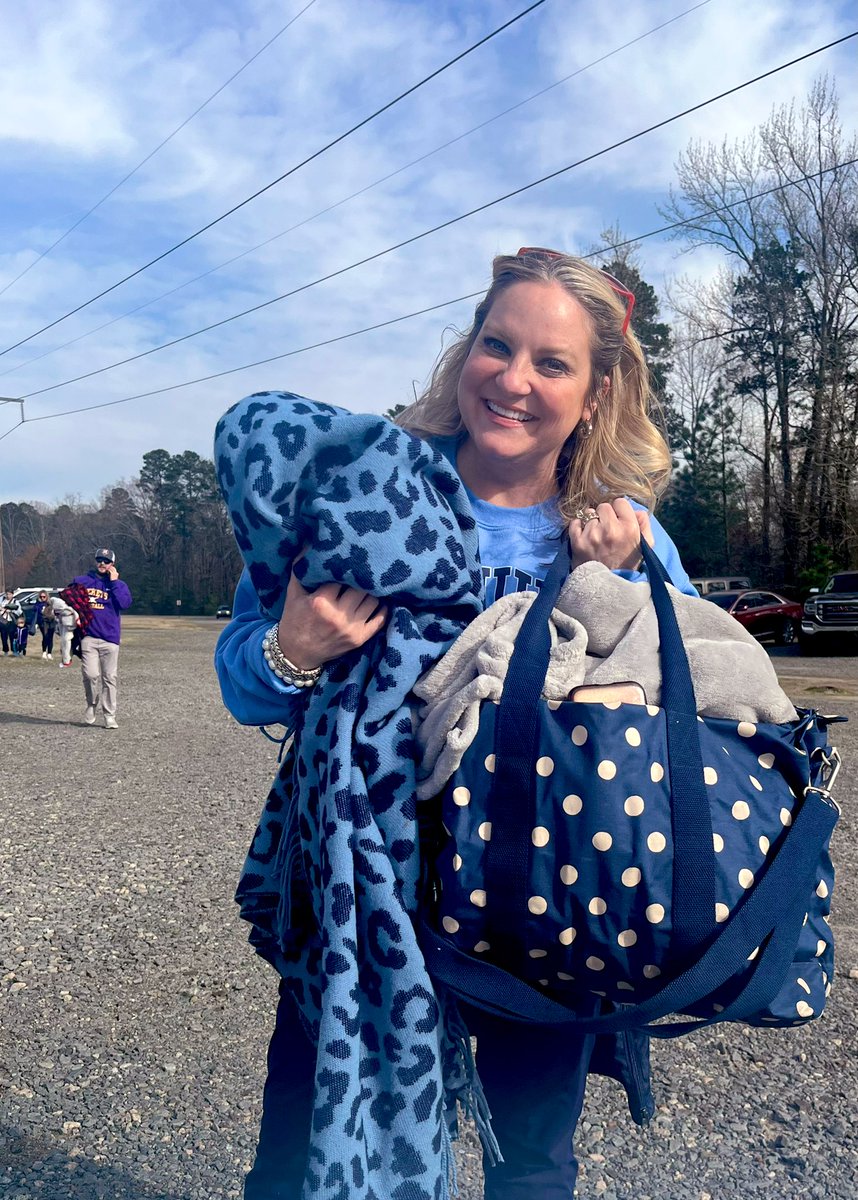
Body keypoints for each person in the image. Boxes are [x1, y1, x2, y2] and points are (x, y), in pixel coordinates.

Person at [215, 249, 696, 1200]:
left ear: (595, 392)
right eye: (497, 345)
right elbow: (243, 685)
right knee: (300, 1146)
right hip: (359, 893)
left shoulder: (624, 532)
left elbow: (689, 716)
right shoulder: (365, 495)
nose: (514, 380)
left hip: (542, 896)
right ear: (466, 352)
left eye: (551, 363)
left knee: (531, 1164)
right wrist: (296, 647)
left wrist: (624, 584)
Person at [70, 549, 132, 728]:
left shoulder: (119, 585)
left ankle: (109, 714)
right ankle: (91, 704)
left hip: (110, 638)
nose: (102, 564)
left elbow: (125, 603)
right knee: (90, 675)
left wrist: (114, 583)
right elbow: (67, 597)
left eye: (106, 561)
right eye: (99, 560)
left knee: (109, 678)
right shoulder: (83, 581)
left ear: (112, 564)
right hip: (88, 636)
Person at [52, 595, 79, 668]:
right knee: (65, 642)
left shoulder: (69, 608)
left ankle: (67, 659)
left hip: (71, 624)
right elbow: (57, 616)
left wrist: (77, 620)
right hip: (66, 625)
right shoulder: (58, 606)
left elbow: (75, 613)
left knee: (67, 641)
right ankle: (66, 659)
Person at [1, 588, 23, 655]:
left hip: (12, 621)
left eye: (9, 594)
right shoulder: (3, 601)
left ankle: (14, 651)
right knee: (4, 637)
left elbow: (19, 611)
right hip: (3, 621)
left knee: (13, 637)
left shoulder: (15, 602)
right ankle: (5, 651)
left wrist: (11, 611)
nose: (8, 596)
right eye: (7, 594)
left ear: (12, 594)